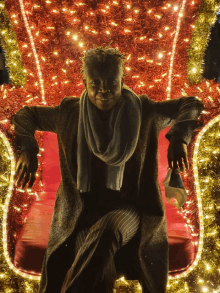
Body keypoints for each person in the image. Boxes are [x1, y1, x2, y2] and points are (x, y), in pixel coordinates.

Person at [11, 45, 204, 293]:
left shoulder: (145, 111)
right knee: (97, 263)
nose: (104, 88)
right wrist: (28, 149)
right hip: (81, 213)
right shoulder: (69, 113)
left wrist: (180, 139)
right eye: (96, 82)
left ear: (122, 79)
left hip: (129, 210)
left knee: (108, 230)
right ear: (84, 81)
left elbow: (191, 104)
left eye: (112, 81)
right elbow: (25, 115)